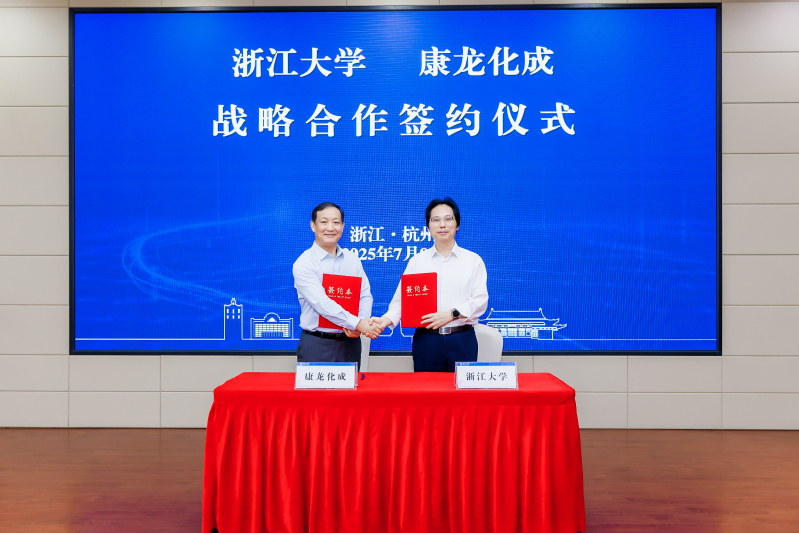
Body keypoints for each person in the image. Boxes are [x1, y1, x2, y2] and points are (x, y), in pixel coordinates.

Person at [373, 198, 488, 372]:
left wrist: (451, 314)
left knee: (462, 389)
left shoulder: (473, 260)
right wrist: (384, 321)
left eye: (448, 219)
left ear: (457, 225)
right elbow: (402, 302)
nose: (442, 224)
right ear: (428, 227)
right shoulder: (417, 262)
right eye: (436, 219)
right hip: (427, 340)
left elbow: (480, 301)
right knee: (426, 389)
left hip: (462, 339)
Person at [293, 202, 383, 367]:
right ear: (313, 226)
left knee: (352, 385)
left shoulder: (352, 259)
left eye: (336, 222)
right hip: (317, 344)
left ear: (342, 226)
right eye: (324, 222)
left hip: (350, 343)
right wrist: (358, 324)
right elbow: (321, 303)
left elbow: (365, 295)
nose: (330, 228)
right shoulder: (304, 263)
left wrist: (359, 323)